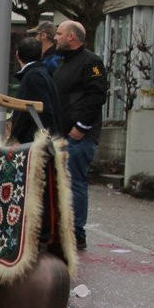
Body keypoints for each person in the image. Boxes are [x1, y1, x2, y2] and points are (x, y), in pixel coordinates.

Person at [53, 20, 108, 250]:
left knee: (75, 182)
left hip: (79, 137)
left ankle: (77, 232)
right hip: (63, 135)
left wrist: (81, 126)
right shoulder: (64, 63)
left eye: (59, 33)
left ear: (71, 38)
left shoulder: (91, 63)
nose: (55, 37)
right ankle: (64, 230)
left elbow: (97, 95)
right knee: (64, 183)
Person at [9, 37, 61, 145]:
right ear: (41, 55)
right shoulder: (42, 73)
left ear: (17, 55)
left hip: (35, 143)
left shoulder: (33, 76)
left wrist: (14, 137)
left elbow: (42, 111)